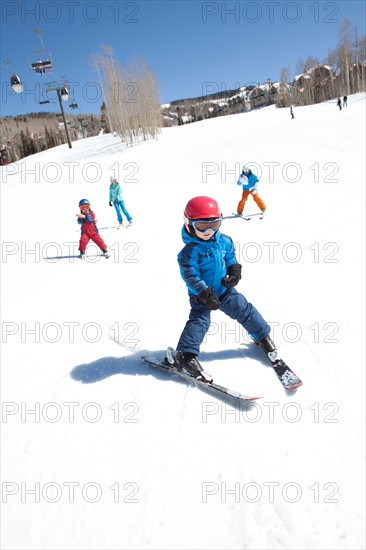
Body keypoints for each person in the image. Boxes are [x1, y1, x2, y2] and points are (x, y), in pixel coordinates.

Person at [173, 196, 277, 379]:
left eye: (215, 224)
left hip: (223, 290)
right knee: (200, 321)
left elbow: (229, 256)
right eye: (202, 226)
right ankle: (185, 355)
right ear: (189, 224)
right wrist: (204, 292)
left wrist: (234, 270)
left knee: (244, 309)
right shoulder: (189, 252)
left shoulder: (225, 241)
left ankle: (262, 336)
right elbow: (190, 275)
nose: (209, 231)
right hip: (201, 295)